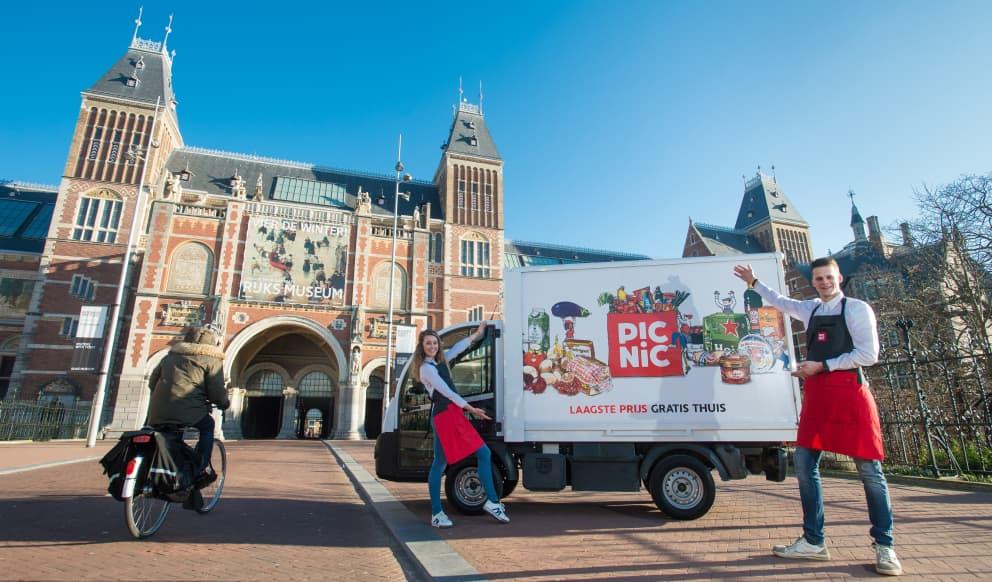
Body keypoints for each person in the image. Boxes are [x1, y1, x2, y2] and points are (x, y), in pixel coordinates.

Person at [733, 258, 902, 576]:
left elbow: (868, 355)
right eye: (819, 278)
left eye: (828, 277)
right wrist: (754, 283)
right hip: (819, 396)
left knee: (870, 471)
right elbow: (781, 302)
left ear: (839, 278)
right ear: (813, 281)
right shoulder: (811, 309)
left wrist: (822, 366)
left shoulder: (857, 309)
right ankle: (813, 541)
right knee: (804, 464)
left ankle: (885, 545)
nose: (824, 282)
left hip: (850, 394)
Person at [411, 321, 510, 528]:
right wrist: (470, 408)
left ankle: (443, 512)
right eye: (428, 343)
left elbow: (457, 348)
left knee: (442, 462)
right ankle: (488, 503)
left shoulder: (439, 362)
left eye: (435, 343)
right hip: (446, 415)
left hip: (448, 414)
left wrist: (477, 335)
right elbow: (446, 392)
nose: (432, 346)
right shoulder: (426, 369)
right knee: (479, 454)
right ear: (422, 347)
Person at [147, 324, 230, 503]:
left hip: (158, 410)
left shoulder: (170, 356)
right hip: (189, 410)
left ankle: (167, 472)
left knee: (168, 436)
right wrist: (224, 403)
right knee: (208, 426)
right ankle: (201, 467)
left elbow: (152, 382)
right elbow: (216, 391)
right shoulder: (211, 359)